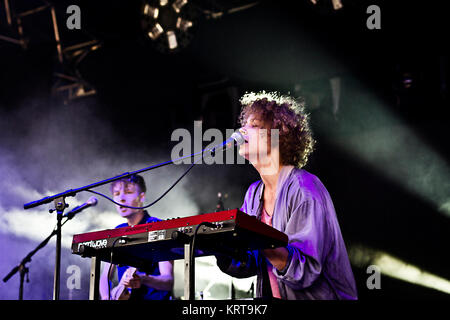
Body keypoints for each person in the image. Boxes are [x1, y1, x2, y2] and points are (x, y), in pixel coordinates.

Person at [216, 91, 358, 300]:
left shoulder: (304, 188)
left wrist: (255, 238)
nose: (242, 131)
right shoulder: (254, 194)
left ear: (277, 135)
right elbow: (250, 262)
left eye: (254, 125)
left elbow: (306, 271)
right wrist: (219, 245)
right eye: (244, 124)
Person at [99, 174, 174, 300]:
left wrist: (143, 279)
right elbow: (105, 277)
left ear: (142, 196)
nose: (121, 199)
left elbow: (168, 281)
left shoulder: (158, 227)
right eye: (116, 194)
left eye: (128, 192)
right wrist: (107, 297)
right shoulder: (117, 231)